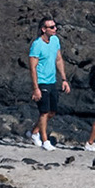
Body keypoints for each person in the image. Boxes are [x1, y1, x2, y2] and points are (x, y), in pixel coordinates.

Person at [26, 17, 69, 147]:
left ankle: (34, 132)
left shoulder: (55, 40)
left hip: (52, 81)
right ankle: (45, 141)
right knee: (44, 112)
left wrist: (64, 79)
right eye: (52, 27)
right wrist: (35, 88)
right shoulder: (37, 45)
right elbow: (32, 67)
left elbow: (59, 59)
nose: (55, 29)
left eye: (55, 26)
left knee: (52, 112)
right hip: (41, 82)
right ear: (43, 29)